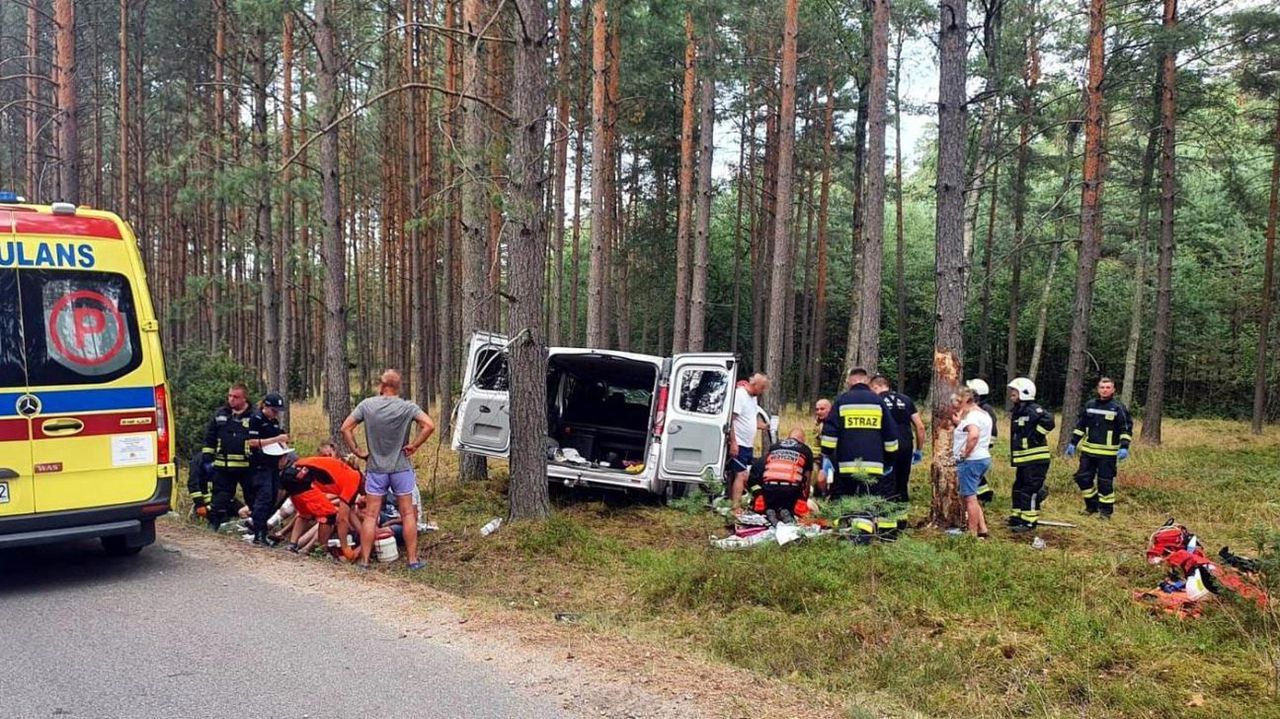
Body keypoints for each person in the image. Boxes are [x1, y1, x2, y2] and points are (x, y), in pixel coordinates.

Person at [341, 369, 435, 569]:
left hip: (376, 468)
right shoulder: (407, 407)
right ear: (398, 386)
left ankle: (364, 561)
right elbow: (429, 425)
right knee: (408, 513)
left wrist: (357, 451)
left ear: (381, 385)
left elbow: (345, 428)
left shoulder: (367, 405)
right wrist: (415, 445)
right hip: (401, 466)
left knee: (371, 514)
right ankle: (412, 560)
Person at [821, 368, 898, 498]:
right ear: (867, 381)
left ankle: (847, 518)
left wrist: (827, 455)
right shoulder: (878, 401)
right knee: (869, 504)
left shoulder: (842, 401)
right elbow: (890, 434)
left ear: (850, 381)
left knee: (846, 503)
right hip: (874, 466)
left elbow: (830, 433)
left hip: (846, 466)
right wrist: (889, 460)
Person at [1066, 377, 1133, 519]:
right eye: (1102, 387)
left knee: (1105, 483)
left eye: (1108, 387)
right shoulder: (1090, 405)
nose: (1105, 390)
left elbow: (1126, 428)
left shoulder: (1118, 407)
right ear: (1098, 389)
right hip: (1088, 451)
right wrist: (1073, 443)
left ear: (1113, 390)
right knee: (1082, 478)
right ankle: (1091, 506)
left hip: (1107, 454)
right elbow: (1081, 426)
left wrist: (1124, 447)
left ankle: (1106, 512)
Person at [201, 383, 256, 530]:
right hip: (222, 467)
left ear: (245, 399)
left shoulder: (254, 417)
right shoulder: (220, 414)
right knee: (219, 498)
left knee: (253, 497)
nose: (231, 399)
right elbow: (210, 438)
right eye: (230, 396)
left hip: (246, 468)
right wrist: (207, 460)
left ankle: (256, 527)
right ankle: (214, 524)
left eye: (236, 397)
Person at [1006, 377, 1055, 532]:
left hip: (1035, 459)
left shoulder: (1033, 409)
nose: (1012, 394)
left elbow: (1049, 421)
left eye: (1015, 391)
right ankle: (1018, 516)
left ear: (1024, 393)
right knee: (1018, 487)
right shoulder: (1019, 410)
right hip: (1024, 459)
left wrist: (1036, 437)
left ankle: (1029, 522)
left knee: (1030, 489)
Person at [869, 375, 926, 502]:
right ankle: (902, 519)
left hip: (886, 446)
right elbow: (920, 427)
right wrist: (919, 450)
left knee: (885, 484)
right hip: (906, 445)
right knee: (902, 483)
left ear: (875, 387)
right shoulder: (906, 399)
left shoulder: (876, 401)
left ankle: (886, 517)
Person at [247, 392, 290, 545]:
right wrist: (276, 439)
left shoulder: (274, 423)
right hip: (260, 464)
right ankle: (258, 533)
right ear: (265, 406)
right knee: (264, 497)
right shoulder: (256, 419)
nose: (276, 413)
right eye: (273, 410)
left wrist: (284, 451)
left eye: (278, 411)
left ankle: (263, 531)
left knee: (272, 497)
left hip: (273, 464)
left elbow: (278, 441)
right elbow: (252, 442)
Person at [952, 386, 992, 539]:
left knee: (969, 498)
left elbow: (974, 435)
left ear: (968, 400)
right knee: (971, 495)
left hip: (971, 460)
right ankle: (982, 529)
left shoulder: (973, 417)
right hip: (982, 457)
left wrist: (965, 453)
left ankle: (971, 533)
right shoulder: (984, 414)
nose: (957, 405)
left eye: (959, 401)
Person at [758, 428, 818, 524]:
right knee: (793, 489)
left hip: (768, 488)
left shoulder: (774, 447)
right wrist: (803, 500)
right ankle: (788, 511)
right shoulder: (805, 449)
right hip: (790, 490)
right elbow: (807, 479)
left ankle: (771, 509)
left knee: (774, 499)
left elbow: (763, 468)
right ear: (802, 440)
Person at [728, 373, 769, 512]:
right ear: (754, 384)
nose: (762, 391)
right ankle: (736, 506)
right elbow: (730, 421)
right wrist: (733, 442)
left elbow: (748, 419)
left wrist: (763, 426)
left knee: (743, 474)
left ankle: (734, 500)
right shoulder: (740, 395)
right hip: (739, 443)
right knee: (742, 474)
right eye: (762, 388)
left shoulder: (753, 399)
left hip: (748, 444)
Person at [965, 379, 998, 503]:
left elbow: (990, 431)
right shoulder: (981, 408)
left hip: (980, 443)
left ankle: (979, 494)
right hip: (980, 443)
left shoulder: (983, 410)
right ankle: (983, 492)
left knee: (972, 469)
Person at [812, 399, 834, 490]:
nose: (819, 412)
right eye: (817, 409)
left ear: (830, 409)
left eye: (822, 409)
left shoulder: (835, 423)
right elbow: (816, 444)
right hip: (820, 457)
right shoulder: (818, 424)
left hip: (832, 457)